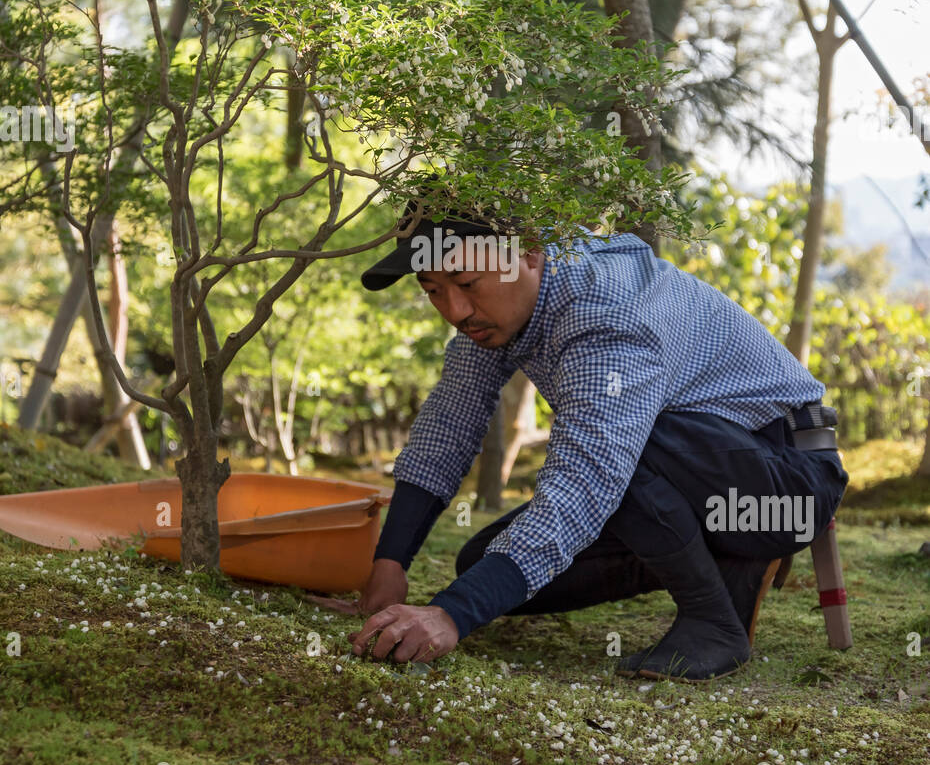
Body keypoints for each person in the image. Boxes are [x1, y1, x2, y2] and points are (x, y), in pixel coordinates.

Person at [346, 197, 849, 681]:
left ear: (529, 251)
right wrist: (390, 563)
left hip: (787, 488)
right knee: (478, 563)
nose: (454, 310)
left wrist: (450, 616)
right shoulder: (496, 311)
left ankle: (715, 622)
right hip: (714, 477)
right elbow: (449, 424)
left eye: (467, 283)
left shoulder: (604, 313)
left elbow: (588, 475)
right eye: (433, 290)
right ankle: (720, 559)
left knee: (612, 442)